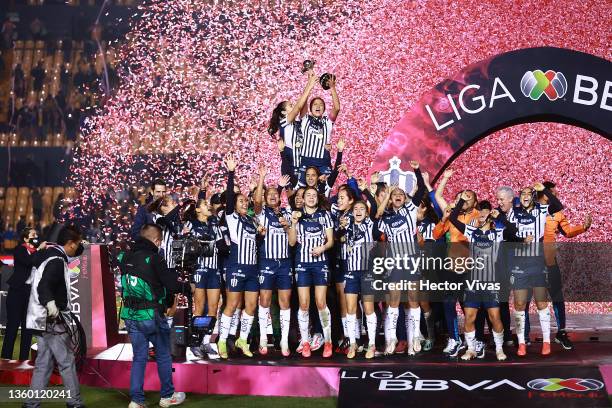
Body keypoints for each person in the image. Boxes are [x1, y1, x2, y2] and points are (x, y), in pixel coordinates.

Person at [449, 196, 525, 361]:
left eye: (484, 215)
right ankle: (470, 349)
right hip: (473, 282)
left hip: (491, 282)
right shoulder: (471, 231)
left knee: (494, 317)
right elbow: (452, 218)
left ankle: (499, 348)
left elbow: (513, 231)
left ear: (490, 217)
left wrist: (500, 217)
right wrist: (461, 201)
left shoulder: (497, 233)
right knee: (469, 317)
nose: (480, 216)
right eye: (480, 215)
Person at [119, 224, 186, 408]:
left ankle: (136, 400)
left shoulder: (124, 256)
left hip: (130, 315)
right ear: (157, 241)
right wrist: (187, 287)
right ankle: (167, 396)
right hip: (151, 315)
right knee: (163, 354)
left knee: (139, 357)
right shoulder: (155, 258)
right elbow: (172, 286)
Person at [24, 225, 85, 408]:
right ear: (70, 244)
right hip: (51, 321)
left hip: (40, 320)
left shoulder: (49, 254)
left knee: (44, 363)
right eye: (78, 243)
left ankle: (31, 404)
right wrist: (51, 305)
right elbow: (44, 286)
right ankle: (74, 402)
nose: (79, 247)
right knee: (66, 361)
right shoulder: (57, 260)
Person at [506, 183, 563, 357]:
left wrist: (544, 190)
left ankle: (546, 342)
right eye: (521, 193)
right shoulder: (512, 212)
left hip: (538, 264)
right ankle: (522, 343)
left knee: (541, 303)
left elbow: (558, 206)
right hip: (519, 264)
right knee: (519, 304)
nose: (524, 195)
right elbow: (508, 235)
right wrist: (521, 240)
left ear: (533, 196)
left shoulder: (541, 210)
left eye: (527, 193)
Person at [378, 160, 425, 356]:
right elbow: (377, 214)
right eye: (395, 194)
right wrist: (387, 193)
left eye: (401, 194)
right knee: (394, 302)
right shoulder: (386, 215)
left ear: (405, 198)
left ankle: (415, 338)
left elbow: (421, 187)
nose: (398, 196)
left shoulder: (411, 209)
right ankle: (391, 340)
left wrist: (416, 169)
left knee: (413, 300)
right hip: (394, 263)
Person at [217, 154, 262, 359]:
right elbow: (228, 197)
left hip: (253, 269)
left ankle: (242, 339)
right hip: (236, 266)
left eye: (246, 201)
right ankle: (222, 340)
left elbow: (256, 244)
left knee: (251, 306)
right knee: (232, 304)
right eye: (241, 201)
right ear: (233, 205)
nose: (245, 203)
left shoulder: (251, 221)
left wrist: (261, 235)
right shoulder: (232, 218)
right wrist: (231, 172)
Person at [288, 186, 335, 357]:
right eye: (308, 195)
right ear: (303, 198)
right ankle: (306, 342)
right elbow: (292, 242)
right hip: (302, 264)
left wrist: (322, 248)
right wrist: (292, 223)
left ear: (317, 198)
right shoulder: (296, 215)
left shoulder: (325, 215)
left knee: (321, 303)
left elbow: (331, 241)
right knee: (304, 304)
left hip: (320, 263)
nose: (311, 197)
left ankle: (328, 342)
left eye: (314, 195)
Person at [337, 179, 380, 358]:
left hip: (368, 272)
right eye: (356, 209)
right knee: (350, 309)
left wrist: (365, 191)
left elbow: (376, 209)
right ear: (352, 212)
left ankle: (371, 344)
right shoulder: (347, 225)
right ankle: (353, 344)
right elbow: (338, 236)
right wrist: (340, 229)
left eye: (362, 209)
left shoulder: (370, 224)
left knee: (368, 308)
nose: (359, 211)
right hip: (351, 271)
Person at [253, 167, 294, 356]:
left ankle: (284, 341)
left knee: (285, 302)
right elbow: (258, 201)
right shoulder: (262, 214)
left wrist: (288, 227)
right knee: (265, 301)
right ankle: (262, 338)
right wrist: (262, 178)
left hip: (284, 263)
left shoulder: (286, 212)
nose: (271, 196)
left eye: (274, 194)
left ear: (279, 198)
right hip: (266, 262)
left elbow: (293, 239)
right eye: (268, 194)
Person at [183, 198, 224, 359]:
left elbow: (221, 245)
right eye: (204, 205)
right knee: (199, 308)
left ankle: (205, 341)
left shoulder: (214, 223)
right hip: (199, 270)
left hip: (214, 271)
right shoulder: (191, 225)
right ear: (198, 210)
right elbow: (185, 247)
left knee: (213, 308)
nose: (208, 206)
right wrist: (190, 275)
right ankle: (195, 342)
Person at [1, 228, 45, 360]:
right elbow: (28, 262)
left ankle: (24, 362)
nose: (36, 236)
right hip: (17, 293)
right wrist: (38, 250)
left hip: (30, 294)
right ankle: (6, 361)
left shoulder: (39, 253)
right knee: (12, 328)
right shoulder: (19, 250)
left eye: (36, 234)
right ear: (26, 239)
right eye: (33, 235)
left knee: (27, 331)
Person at [298, 75, 340, 182]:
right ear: (310, 109)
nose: (318, 106)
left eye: (321, 104)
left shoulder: (328, 121)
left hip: (323, 162)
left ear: (324, 109)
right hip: (306, 160)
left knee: (324, 191)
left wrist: (332, 87)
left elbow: (337, 108)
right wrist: (309, 86)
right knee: (304, 191)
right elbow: (302, 103)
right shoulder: (305, 119)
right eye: (315, 104)